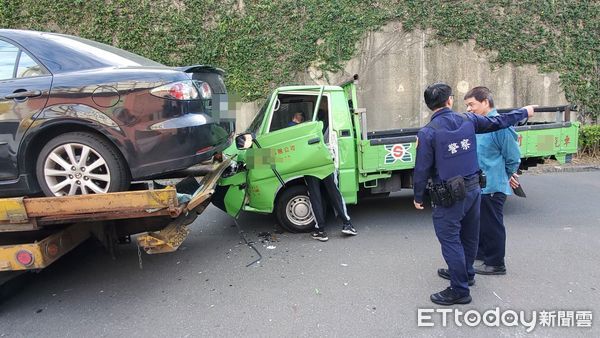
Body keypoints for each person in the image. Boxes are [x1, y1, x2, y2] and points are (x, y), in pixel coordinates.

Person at [413, 83, 534, 305]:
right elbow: (498, 121)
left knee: (450, 239)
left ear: (429, 106)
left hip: (448, 194)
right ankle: (466, 274)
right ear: (450, 100)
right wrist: (523, 112)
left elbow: (422, 168)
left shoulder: (428, 132)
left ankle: (459, 290)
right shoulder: (468, 121)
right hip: (474, 188)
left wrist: (418, 196)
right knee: (469, 235)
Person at [464, 87, 521, 275]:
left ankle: (496, 263)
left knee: (492, 225)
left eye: (472, 104)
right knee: (480, 224)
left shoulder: (500, 127)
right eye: (467, 106)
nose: (469, 109)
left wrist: (505, 175)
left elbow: (513, 157)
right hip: (479, 186)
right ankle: (481, 255)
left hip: (493, 185)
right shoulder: (480, 125)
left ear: (485, 102)